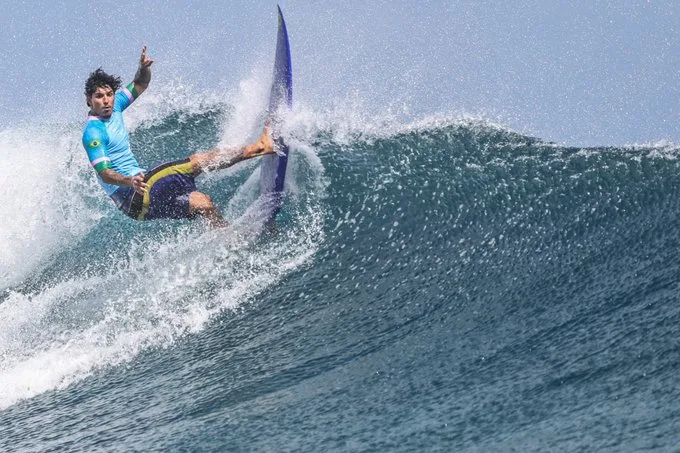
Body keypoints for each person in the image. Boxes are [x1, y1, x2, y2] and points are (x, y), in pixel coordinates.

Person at [82, 46, 273, 228]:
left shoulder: (115, 107)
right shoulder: (93, 133)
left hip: (137, 208)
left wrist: (143, 68)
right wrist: (129, 181)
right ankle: (261, 147)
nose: (106, 100)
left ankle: (226, 238)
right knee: (197, 162)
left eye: (109, 94)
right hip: (132, 193)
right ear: (89, 100)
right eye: (99, 96)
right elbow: (105, 174)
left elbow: (141, 83)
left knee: (203, 203)